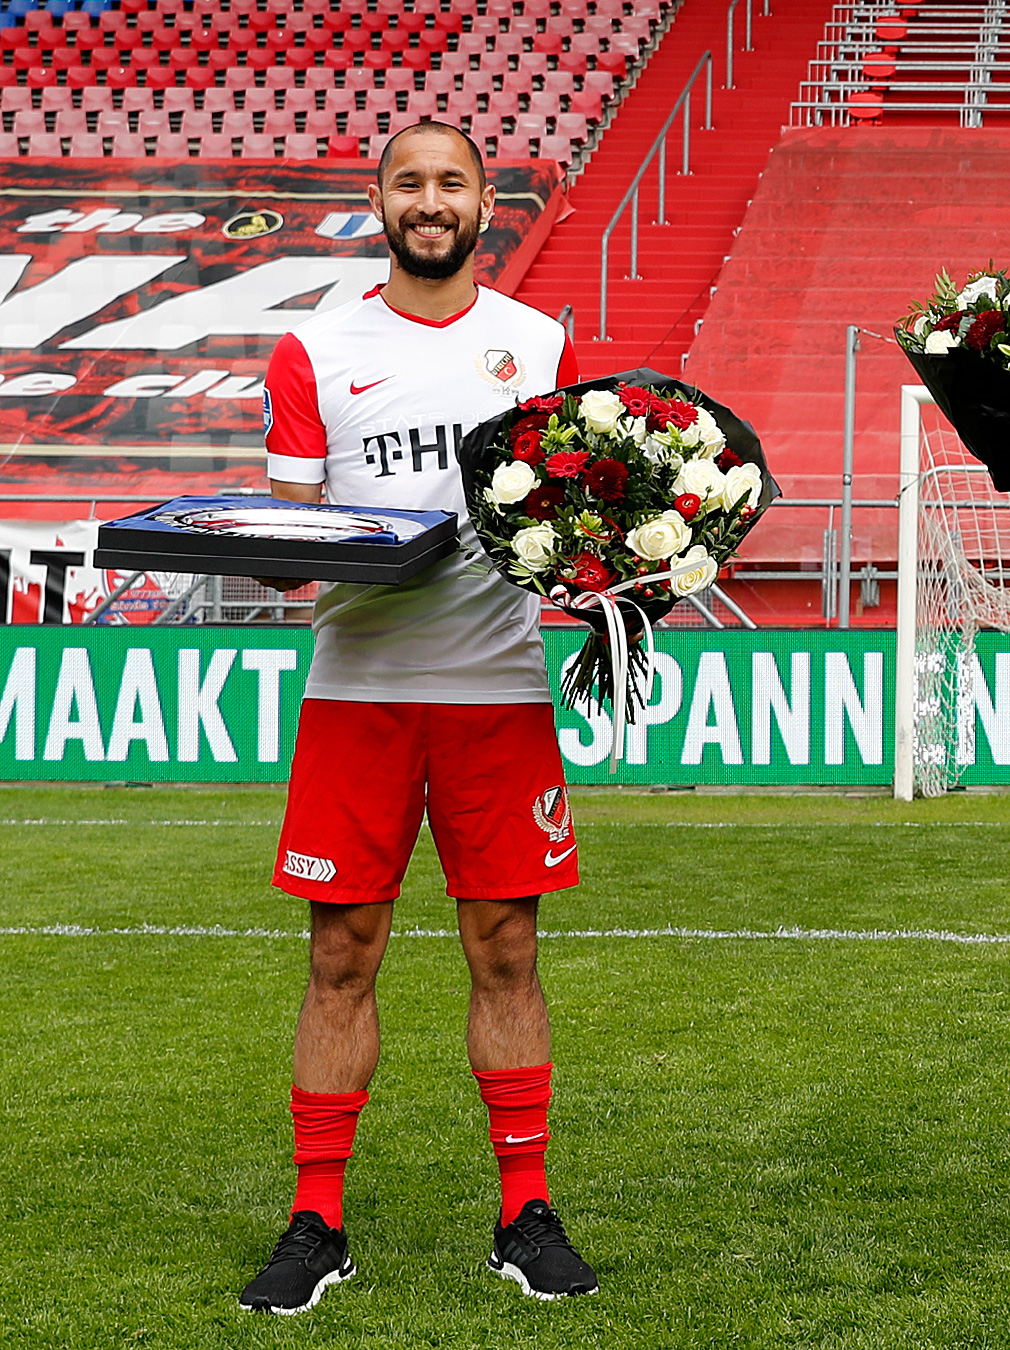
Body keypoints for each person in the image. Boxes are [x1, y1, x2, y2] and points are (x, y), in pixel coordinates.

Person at [238, 120, 595, 1315]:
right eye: (410, 183)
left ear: (487, 200)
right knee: (341, 955)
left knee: (507, 951)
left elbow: (571, 522)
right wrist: (275, 557)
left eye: (452, 182)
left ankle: (524, 1210)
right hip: (358, 695)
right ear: (377, 199)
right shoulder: (315, 349)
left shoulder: (538, 343)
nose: (430, 202)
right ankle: (318, 1218)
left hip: (497, 696)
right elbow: (285, 540)